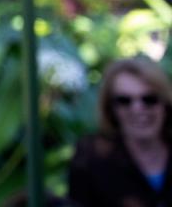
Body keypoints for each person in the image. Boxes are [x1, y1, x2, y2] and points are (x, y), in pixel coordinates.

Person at [68, 56, 172, 206]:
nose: (137, 109)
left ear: (165, 103)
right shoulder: (90, 157)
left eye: (149, 99)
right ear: (111, 108)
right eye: (124, 100)